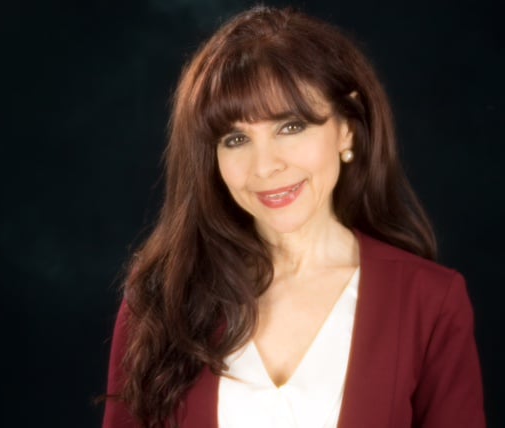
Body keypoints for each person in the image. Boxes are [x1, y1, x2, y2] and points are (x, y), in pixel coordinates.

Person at [102, 5, 485, 428]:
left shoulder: (430, 301)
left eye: (291, 127)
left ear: (347, 129)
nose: (265, 166)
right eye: (236, 139)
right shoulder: (161, 297)